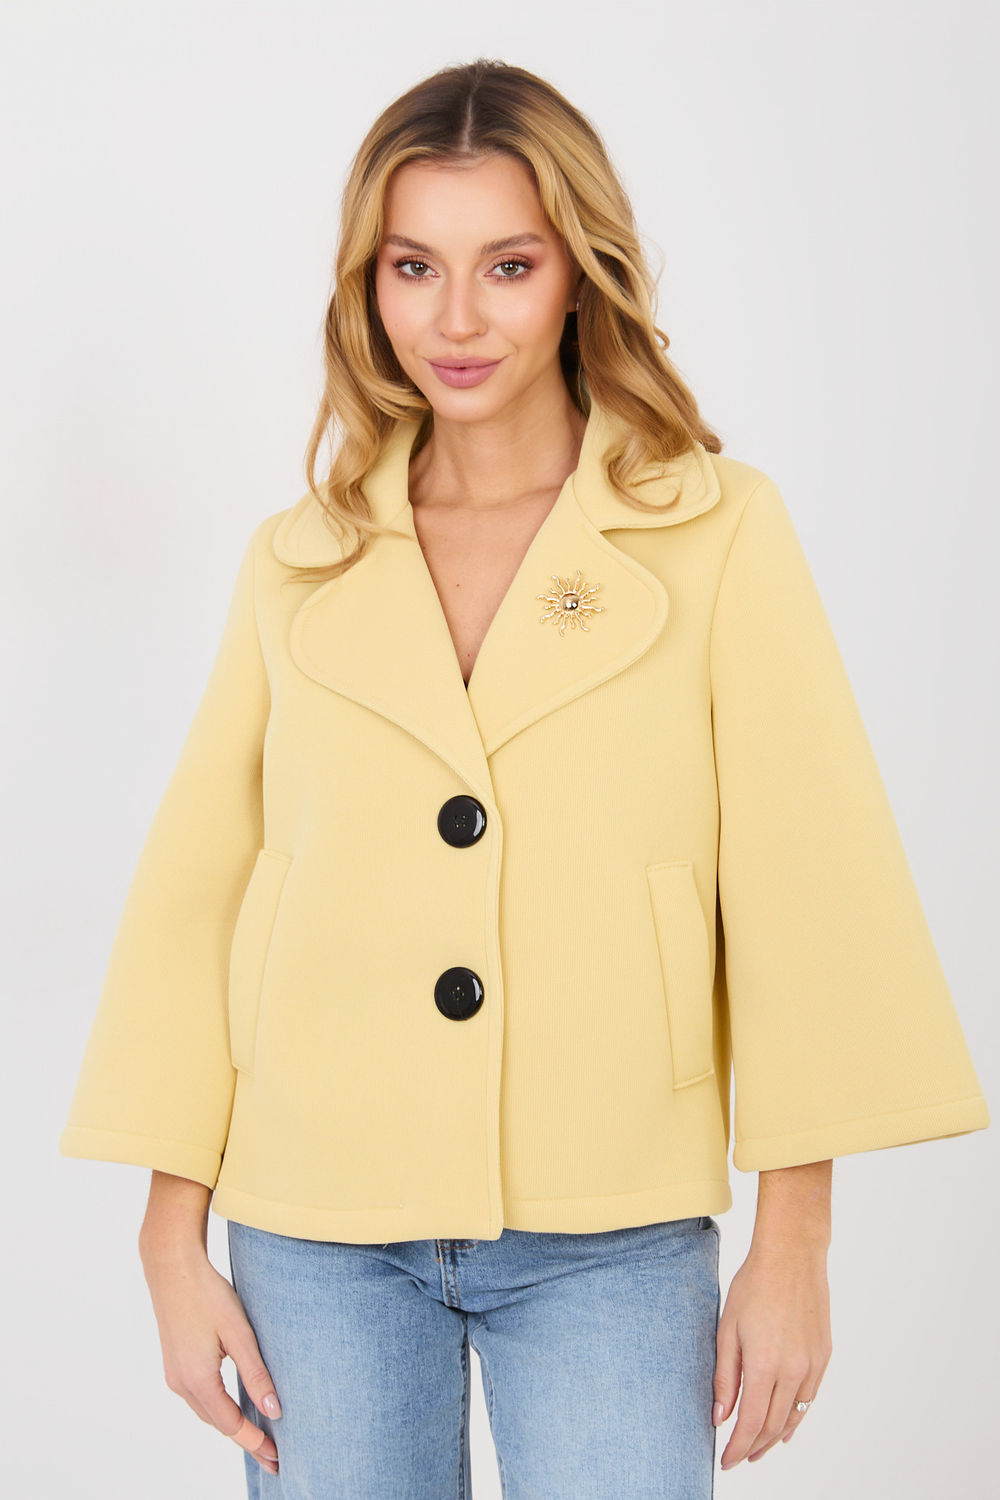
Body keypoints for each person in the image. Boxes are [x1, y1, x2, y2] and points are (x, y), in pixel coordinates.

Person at [58, 58, 990, 1498]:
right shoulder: (298, 563)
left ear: (579, 273)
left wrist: (795, 1239)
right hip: (317, 1227)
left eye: (507, 264)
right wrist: (166, 1238)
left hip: (610, 1228)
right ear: (368, 283)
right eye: (412, 266)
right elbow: (204, 899)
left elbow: (808, 883)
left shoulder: (716, 531)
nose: (456, 318)